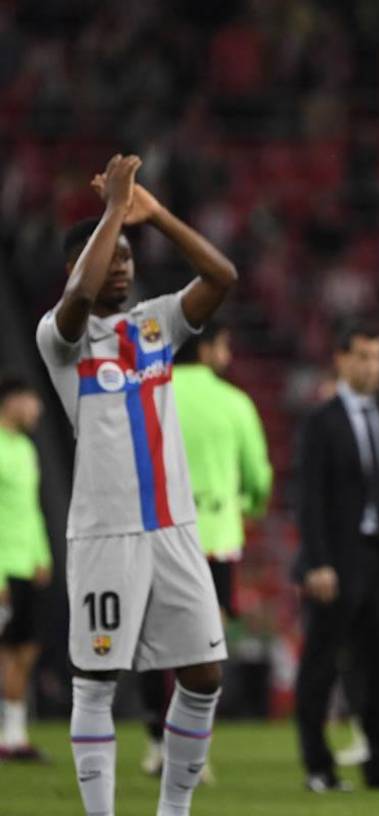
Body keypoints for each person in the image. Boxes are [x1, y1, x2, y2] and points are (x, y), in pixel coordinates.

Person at [35, 154, 237, 816]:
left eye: (127, 256)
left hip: (173, 528)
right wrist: (112, 212)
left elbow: (221, 275)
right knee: (96, 680)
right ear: (79, 265)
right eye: (109, 256)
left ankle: (172, 810)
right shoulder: (61, 339)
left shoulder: (156, 324)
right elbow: (75, 301)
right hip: (105, 534)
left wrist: (155, 216)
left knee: (204, 675)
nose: (122, 265)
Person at [139, 320, 272, 776]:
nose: (228, 355)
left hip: (158, 535)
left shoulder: (151, 394)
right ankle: (192, 747)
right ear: (210, 348)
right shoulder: (234, 403)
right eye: (225, 345)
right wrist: (246, 505)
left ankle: (157, 740)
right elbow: (258, 476)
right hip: (214, 540)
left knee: (155, 641)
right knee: (204, 648)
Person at [292, 322, 379, 793]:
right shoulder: (320, 421)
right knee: (321, 666)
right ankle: (318, 766)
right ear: (341, 360)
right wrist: (316, 561)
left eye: (378, 357)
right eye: (363, 356)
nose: (372, 366)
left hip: (375, 558)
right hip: (334, 561)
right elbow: (308, 497)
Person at [0, 375, 52, 760]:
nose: (39, 408)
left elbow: (30, 510)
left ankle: (13, 737)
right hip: (3, 568)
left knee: (25, 650)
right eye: (32, 399)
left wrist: (42, 556)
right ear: (11, 401)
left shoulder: (26, 448)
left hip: (26, 567)